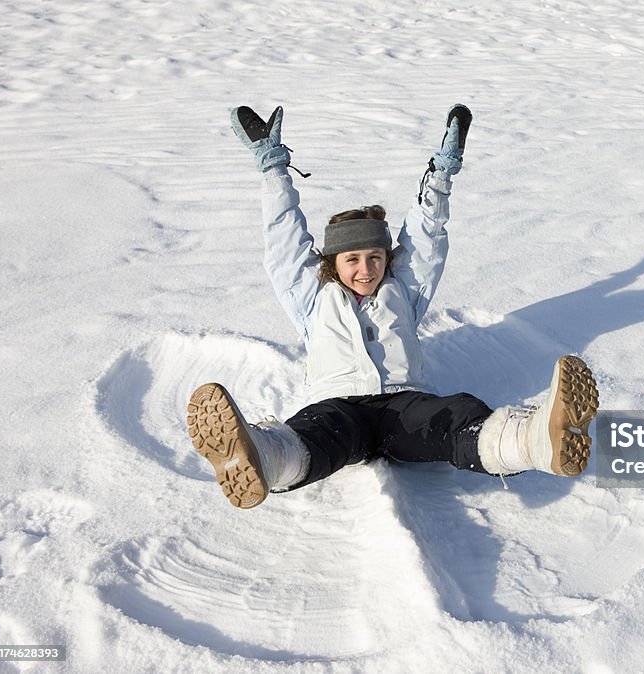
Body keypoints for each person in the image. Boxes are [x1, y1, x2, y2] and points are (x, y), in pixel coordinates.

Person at [186, 104, 599, 509]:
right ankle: (260, 456)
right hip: (339, 403)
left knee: (454, 417)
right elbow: (284, 241)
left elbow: (426, 237)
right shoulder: (312, 297)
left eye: (375, 257)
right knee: (316, 435)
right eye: (352, 260)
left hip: (404, 404)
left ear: (387, 258)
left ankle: (534, 441)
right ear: (332, 263)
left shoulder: (403, 290)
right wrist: (273, 168)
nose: (366, 270)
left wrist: (441, 175)